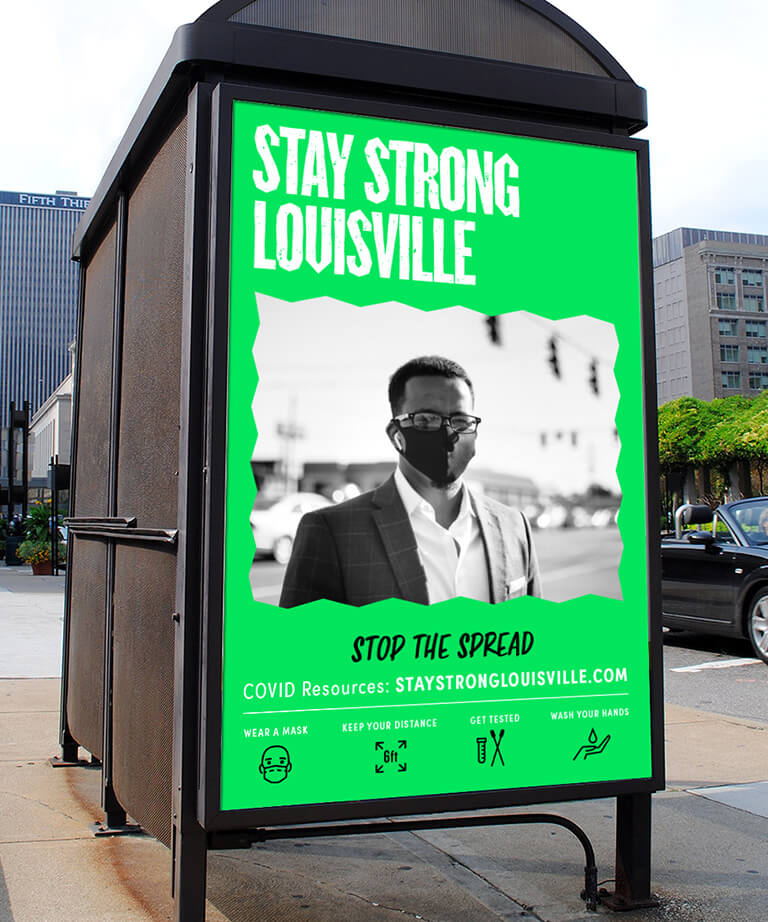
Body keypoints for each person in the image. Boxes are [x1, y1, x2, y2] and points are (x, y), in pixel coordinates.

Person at [279, 355, 541, 606]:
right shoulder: (332, 532)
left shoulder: (514, 527)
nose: (449, 433)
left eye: (461, 421)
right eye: (427, 420)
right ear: (396, 434)